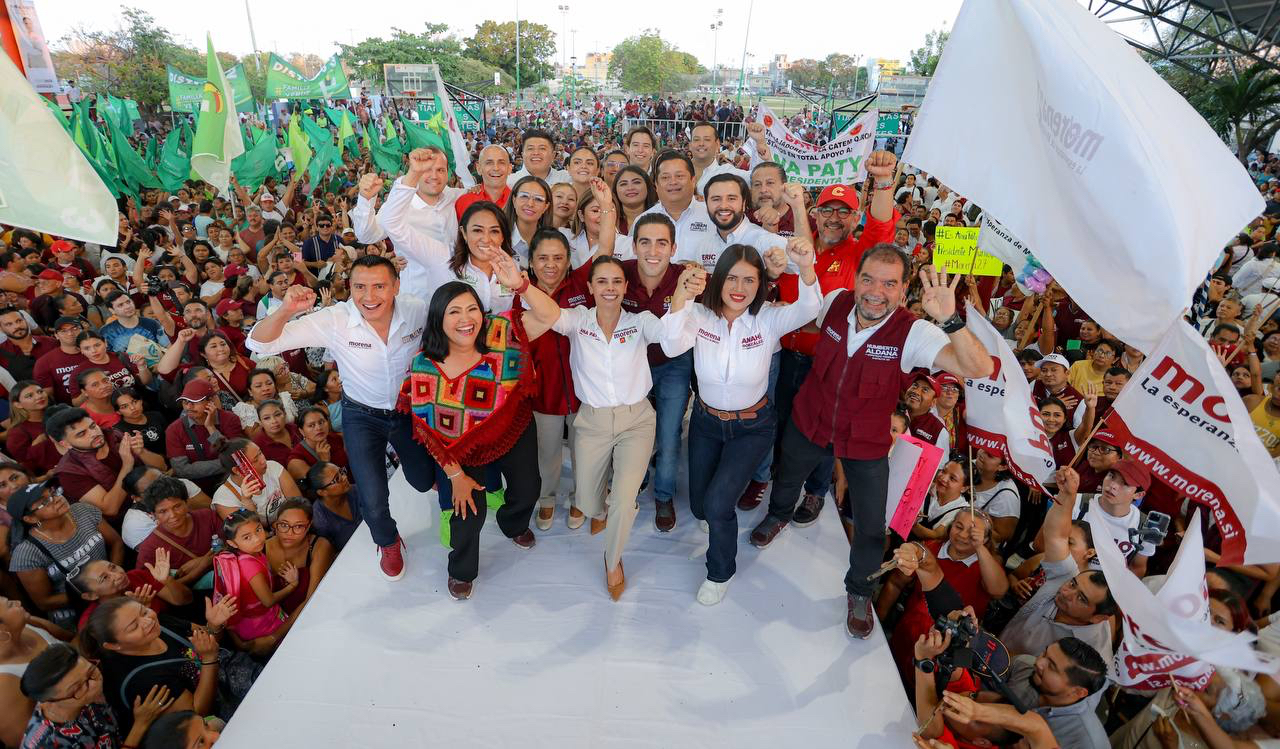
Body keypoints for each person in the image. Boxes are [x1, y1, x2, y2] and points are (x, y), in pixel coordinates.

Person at [750, 244, 995, 640]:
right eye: (868, 279)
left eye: (889, 283)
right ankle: (778, 515)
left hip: (864, 442)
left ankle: (860, 591)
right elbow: (805, 320)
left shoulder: (915, 331)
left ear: (903, 290)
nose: (875, 291)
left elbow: (979, 368)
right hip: (809, 420)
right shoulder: (834, 302)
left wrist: (951, 319)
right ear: (855, 278)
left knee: (870, 524)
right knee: (788, 476)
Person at [247, 257, 444, 582]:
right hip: (361, 416)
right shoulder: (335, 318)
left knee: (422, 481)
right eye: (360, 287)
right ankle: (388, 542)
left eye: (380, 286)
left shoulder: (416, 309)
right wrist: (285, 310)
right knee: (372, 495)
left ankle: (426, 476)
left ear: (396, 285)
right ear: (348, 288)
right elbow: (258, 342)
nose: (370, 296)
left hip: (407, 410)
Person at [658, 239, 819, 605]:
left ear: (761, 284)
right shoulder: (700, 316)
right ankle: (711, 517)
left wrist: (805, 266)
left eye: (749, 280)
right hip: (706, 423)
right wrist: (681, 297)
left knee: (717, 504)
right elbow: (669, 345)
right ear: (718, 281)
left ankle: (720, 572)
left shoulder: (768, 319)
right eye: (732, 278)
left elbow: (810, 306)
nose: (739, 289)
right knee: (699, 504)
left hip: (752, 427)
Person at [519, 254, 686, 600]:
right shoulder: (576, 320)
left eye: (616, 282)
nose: (610, 288)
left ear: (625, 287)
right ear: (591, 288)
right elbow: (547, 314)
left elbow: (669, 336)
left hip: (636, 421)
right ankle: (605, 505)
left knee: (624, 501)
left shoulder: (640, 321)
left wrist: (684, 294)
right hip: (592, 422)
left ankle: (613, 561)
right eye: (602, 282)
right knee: (588, 501)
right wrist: (521, 285)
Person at [399, 276, 544, 600]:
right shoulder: (424, 366)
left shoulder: (498, 333)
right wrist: (455, 476)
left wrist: (520, 285)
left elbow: (548, 316)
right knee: (467, 512)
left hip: (513, 426)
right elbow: (429, 432)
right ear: (438, 318)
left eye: (472, 309)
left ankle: (513, 523)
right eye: (454, 312)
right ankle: (461, 571)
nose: (465, 319)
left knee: (528, 487)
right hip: (462, 451)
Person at [999, 467, 1117, 659]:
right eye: (1073, 584)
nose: (1066, 592)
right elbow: (1056, 535)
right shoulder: (1065, 572)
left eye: (1081, 599)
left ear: (1098, 619)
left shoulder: (1092, 655)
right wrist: (1067, 494)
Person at [80, 596, 239, 731]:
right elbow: (199, 713)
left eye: (144, 611)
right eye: (134, 626)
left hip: (234, 674)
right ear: (114, 645)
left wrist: (213, 625)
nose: (148, 621)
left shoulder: (160, 623)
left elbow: (207, 638)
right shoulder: (141, 682)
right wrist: (209, 659)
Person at [7, 481, 125, 629]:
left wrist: (115, 578)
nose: (56, 499)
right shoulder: (27, 554)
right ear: (30, 519)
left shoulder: (83, 510)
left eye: (54, 492)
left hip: (116, 590)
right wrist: (96, 592)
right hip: (77, 615)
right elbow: (44, 602)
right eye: (45, 501)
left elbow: (116, 543)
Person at [17, 644, 173, 749]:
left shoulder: (86, 690)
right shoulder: (51, 742)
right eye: (78, 688)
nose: (95, 684)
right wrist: (141, 724)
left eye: (91, 671)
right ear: (50, 701)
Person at [47, 407, 165, 519]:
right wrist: (127, 465)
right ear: (66, 444)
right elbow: (110, 508)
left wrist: (141, 452)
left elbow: (162, 467)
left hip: (160, 494)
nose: (94, 433)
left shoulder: (113, 434)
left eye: (93, 426)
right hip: (130, 518)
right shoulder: (69, 471)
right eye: (82, 434)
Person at [213, 509, 295, 650]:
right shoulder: (250, 566)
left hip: (249, 621)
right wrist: (293, 585)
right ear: (232, 543)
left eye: (258, 530)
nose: (257, 539)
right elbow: (268, 601)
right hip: (260, 625)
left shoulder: (249, 553)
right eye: (247, 537)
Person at [0, 597, 68, 747]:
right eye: (10, 605)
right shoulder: (4, 686)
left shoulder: (28, 623)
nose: (18, 601)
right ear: (2, 631)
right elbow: (30, 742)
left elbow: (73, 640)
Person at [134, 478, 219, 591]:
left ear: (186, 503)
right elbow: (156, 590)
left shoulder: (208, 517)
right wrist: (201, 567)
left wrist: (202, 561)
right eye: (163, 511)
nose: (173, 515)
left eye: (177, 506)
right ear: (153, 515)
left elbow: (234, 544)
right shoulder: (150, 548)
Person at [70, 551, 191, 630]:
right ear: (91, 596)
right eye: (105, 578)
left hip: (183, 621)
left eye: (113, 567)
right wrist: (140, 611)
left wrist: (166, 580)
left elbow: (185, 600)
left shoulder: (136, 576)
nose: (118, 575)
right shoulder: (92, 622)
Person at [164, 379, 246, 495]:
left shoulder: (230, 419)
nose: (188, 407)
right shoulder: (174, 429)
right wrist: (225, 464)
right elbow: (182, 470)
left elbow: (237, 457)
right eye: (185, 402)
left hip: (233, 482)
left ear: (211, 401)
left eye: (195, 401)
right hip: (197, 490)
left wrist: (211, 427)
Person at [264, 498, 334, 617]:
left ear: (308, 526)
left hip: (310, 616)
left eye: (298, 526)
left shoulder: (319, 546)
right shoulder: (261, 548)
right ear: (275, 524)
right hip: (271, 620)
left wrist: (276, 635)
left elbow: (311, 601)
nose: (289, 533)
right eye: (284, 525)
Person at [210, 439, 298, 524]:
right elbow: (250, 533)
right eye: (255, 460)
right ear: (237, 470)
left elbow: (298, 503)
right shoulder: (224, 499)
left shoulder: (273, 467)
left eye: (260, 453)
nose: (263, 460)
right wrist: (247, 501)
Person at [302, 462, 362, 551]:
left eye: (341, 472)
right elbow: (331, 553)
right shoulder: (319, 520)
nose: (345, 477)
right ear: (322, 492)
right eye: (337, 479)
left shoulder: (357, 491)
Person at [5, 382, 59, 479]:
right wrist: (36, 447)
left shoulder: (59, 413)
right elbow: (26, 473)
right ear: (18, 404)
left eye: (40, 391)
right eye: (29, 396)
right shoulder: (17, 433)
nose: (39, 396)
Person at [285, 407, 347, 480]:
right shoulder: (296, 460)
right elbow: (319, 488)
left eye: (321, 422)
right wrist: (324, 462)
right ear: (301, 431)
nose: (318, 428)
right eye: (311, 425)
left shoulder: (337, 439)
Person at [507, 129, 571, 187]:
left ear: (553, 155)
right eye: (530, 148)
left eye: (542, 148)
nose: (536, 153)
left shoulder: (566, 180)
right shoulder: (510, 183)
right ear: (522, 155)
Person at [250, 400, 301, 466]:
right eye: (266, 418)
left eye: (277, 415)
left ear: (285, 414)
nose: (274, 421)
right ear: (260, 422)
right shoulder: (257, 445)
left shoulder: (295, 428)